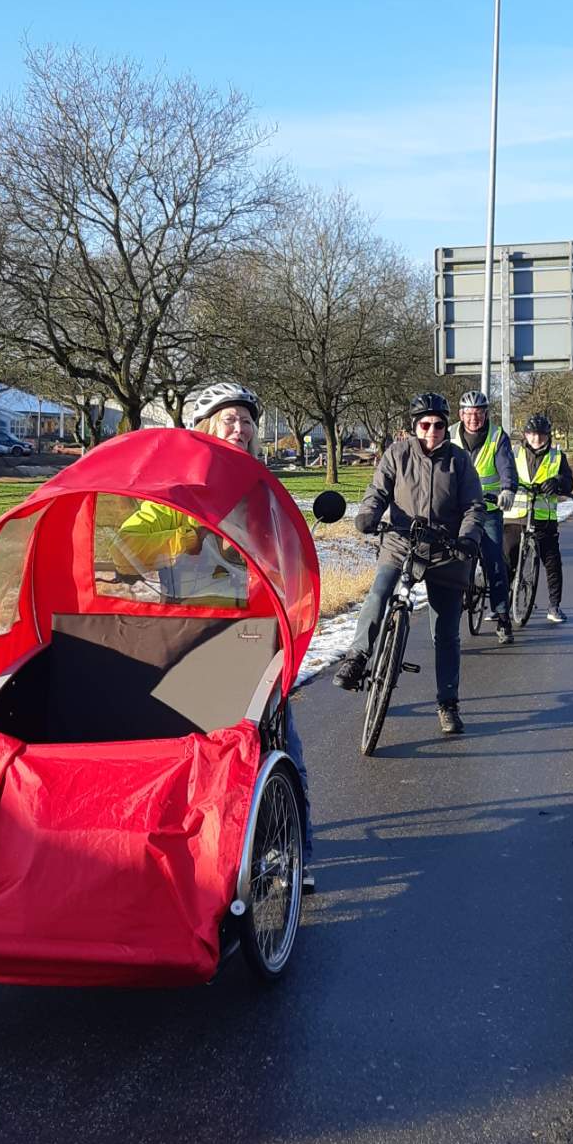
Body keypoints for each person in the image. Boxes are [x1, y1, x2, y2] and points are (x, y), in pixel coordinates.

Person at [186, 381, 318, 890]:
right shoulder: (181, 480)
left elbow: (283, 551)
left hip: (255, 627)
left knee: (277, 738)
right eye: (229, 419)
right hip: (190, 625)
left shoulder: (261, 485)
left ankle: (294, 850)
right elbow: (137, 538)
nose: (240, 428)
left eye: (246, 421)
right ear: (206, 427)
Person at [332, 391, 485, 736]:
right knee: (379, 592)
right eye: (425, 425)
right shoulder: (397, 454)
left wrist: (468, 538)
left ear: (447, 427)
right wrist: (368, 515)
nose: (432, 431)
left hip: (446, 550)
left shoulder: (459, 461)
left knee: (446, 632)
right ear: (414, 426)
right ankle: (357, 658)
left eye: (439, 425)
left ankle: (448, 704)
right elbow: (377, 491)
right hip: (401, 541)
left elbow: (474, 507)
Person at [448, 389, 518, 643]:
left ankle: (502, 617)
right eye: (468, 413)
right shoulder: (449, 434)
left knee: (495, 562)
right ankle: (448, 616)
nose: (473, 418)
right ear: (461, 414)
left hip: (488, 510)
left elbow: (506, 467)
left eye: (478, 413)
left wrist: (507, 490)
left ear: (486, 414)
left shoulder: (497, 436)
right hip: (456, 510)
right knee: (449, 561)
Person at [505, 412, 573, 623]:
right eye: (532, 434)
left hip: (544, 520)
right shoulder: (513, 452)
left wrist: (557, 482)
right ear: (525, 435)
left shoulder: (557, 456)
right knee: (505, 560)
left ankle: (554, 606)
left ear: (548, 436)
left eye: (541, 435)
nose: (537, 439)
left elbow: (568, 481)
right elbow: (503, 474)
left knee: (552, 563)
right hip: (515, 518)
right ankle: (501, 605)